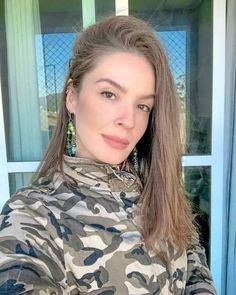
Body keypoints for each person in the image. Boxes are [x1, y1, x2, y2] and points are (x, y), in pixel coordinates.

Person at [0, 15, 216, 295]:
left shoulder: (161, 193)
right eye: (109, 94)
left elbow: (194, 264)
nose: (128, 120)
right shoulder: (32, 215)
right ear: (71, 97)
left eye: (142, 106)